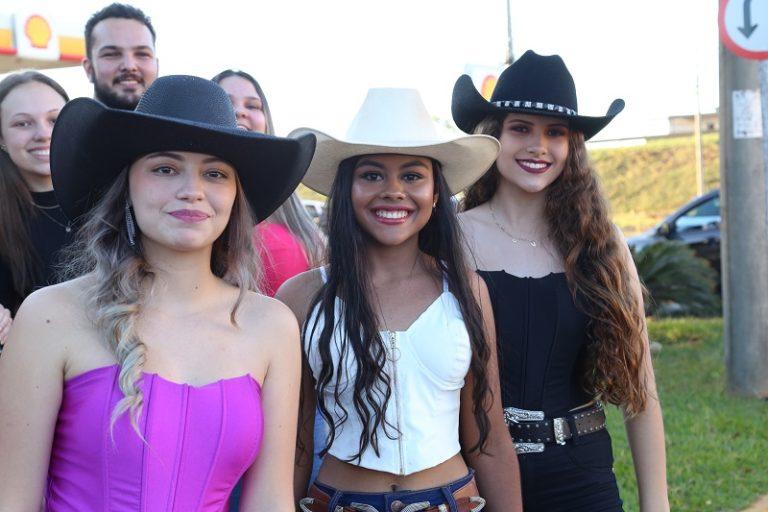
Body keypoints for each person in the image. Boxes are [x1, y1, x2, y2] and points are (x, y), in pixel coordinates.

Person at [0, 75, 316, 511]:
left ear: (234, 195)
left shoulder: (271, 325)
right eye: (165, 168)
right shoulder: (51, 315)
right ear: (126, 184)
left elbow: (270, 501)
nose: (192, 190)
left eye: (215, 173)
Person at [279, 88, 523, 511]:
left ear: (434, 191)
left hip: (450, 501)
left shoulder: (466, 290)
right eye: (372, 175)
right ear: (346, 188)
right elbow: (294, 443)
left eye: (412, 176)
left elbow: (487, 436)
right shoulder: (302, 297)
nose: (393, 191)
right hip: (338, 502)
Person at [452, 50, 669, 511]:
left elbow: (640, 391)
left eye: (555, 133)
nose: (539, 146)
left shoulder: (602, 244)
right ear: (493, 137)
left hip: (582, 477)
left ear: (573, 147)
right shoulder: (450, 239)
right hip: (475, 473)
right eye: (521, 129)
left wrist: (657, 505)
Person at [212, 69, 325, 296]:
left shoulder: (295, 212)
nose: (239, 111)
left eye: (252, 105)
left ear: (266, 121)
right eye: (225, 102)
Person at [0, 71, 70, 343]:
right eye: (23, 124)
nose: (43, 134)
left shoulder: (111, 200)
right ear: (2, 139)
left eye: (54, 120)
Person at [83, 3, 159, 110]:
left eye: (142, 54)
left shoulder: (184, 125)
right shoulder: (64, 126)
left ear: (157, 65)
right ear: (89, 69)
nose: (129, 66)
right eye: (112, 54)